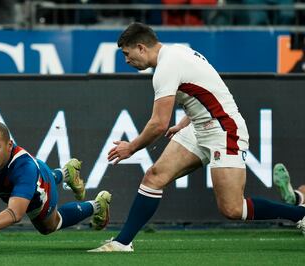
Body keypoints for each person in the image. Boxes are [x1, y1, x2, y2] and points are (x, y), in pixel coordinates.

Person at [89, 22, 305, 252]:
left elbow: (158, 124)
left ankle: (299, 214)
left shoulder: (166, 68)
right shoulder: (177, 51)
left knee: (232, 209)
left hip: (224, 130)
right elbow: (207, 88)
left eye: (127, 53)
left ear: (141, 48)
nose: (127, 60)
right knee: (154, 177)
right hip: (200, 126)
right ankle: (123, 242)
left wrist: (130, 148)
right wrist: (185, 121)